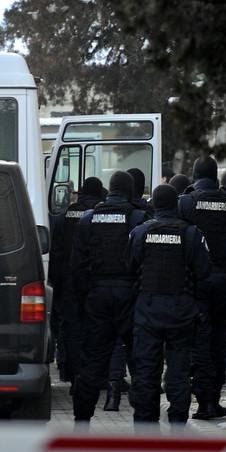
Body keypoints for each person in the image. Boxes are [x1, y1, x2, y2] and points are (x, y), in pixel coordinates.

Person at [126, 184, 211, 426]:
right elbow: (204, 271)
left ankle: (145, 428)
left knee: (145, 372)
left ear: (154, 205)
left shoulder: (140, 232)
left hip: (148, 312)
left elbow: (130, 265)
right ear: (175, 204)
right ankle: (178, 426)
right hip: (181, 313)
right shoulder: (192, 233)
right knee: (178, 373)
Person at [71, 171, 148, 426]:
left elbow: (78, 267)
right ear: (130, 191)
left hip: (98, 296)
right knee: (139, 362)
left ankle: (81, 423)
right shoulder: (139, 218)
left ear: (110, 189)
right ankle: (144, 424)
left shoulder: (88, 219)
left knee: (92, 362)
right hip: (130, 297)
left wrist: (85, 301)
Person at [179, 155, 226, 419]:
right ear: (215, 176)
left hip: (196, 283)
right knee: (219, 341)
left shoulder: (184, 202)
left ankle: (204, 401)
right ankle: (214, 401)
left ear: (194, 175)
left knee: (200, 343)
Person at [48, 177, 104, 393]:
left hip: (68, 282)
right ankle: (94, 375)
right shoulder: (100, 215)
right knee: (95, 329)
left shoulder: (65, 216)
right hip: (94, 281)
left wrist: (56, 280)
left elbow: (56, 251)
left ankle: (72, 375)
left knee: (70, 328)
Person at [101, 168, 150, 412]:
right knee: (132, 342)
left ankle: (112, 393)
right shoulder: (140, 217)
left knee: (111, 343)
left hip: (99, 291)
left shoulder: (93, 216)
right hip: (130, 290)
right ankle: (139, 395)